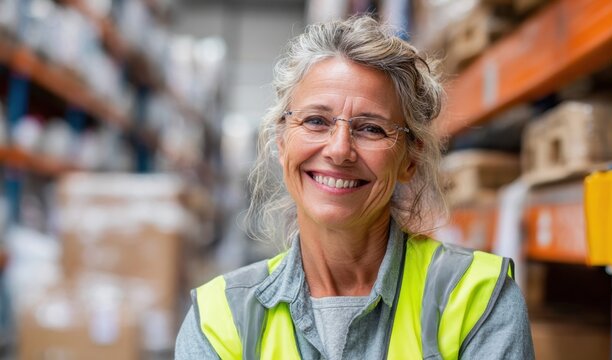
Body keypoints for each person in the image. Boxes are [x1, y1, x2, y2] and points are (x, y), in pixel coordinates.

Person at [175, 15, 534, 360]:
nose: (339, 150)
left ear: (409, 160)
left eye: (371, 128)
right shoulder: (220, 318)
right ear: (282, 142)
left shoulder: (476, 298)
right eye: (316, 121)